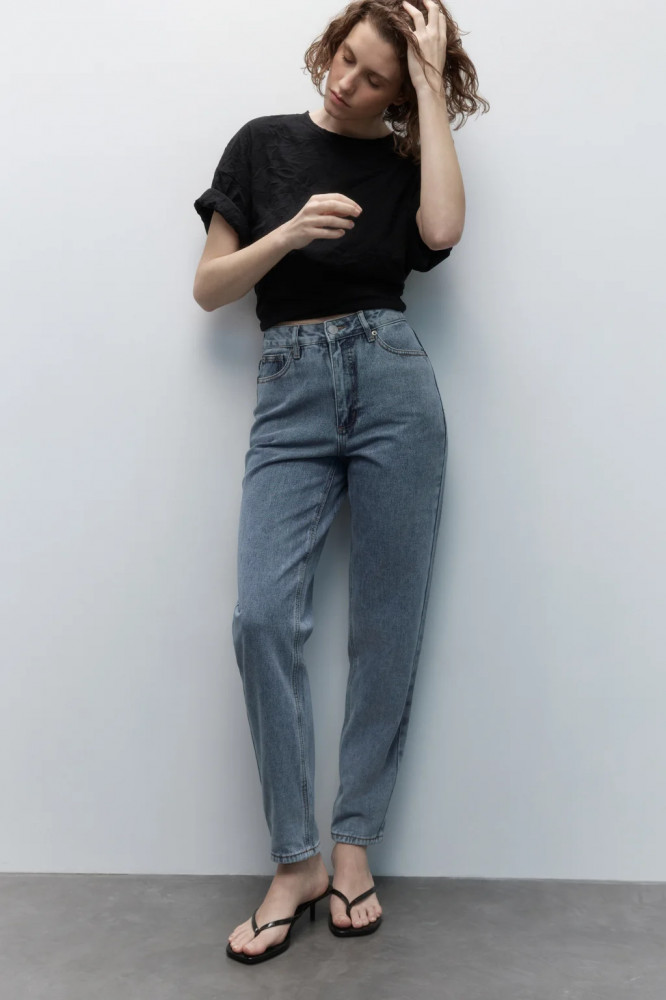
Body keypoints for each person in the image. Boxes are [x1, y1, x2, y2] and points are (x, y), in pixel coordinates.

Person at [193, 0, 486, 965]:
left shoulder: (405, 166)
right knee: (262, 619)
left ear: (399, 95)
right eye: (345, 58)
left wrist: (431, 79)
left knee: (386, 626)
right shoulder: (262, 144)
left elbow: (442, 228)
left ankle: (352, 845)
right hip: (290, 390)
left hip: (395, 383)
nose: (346, 81)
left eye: (374, 78)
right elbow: (210, 286)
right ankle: (296, 860)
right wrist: (285, 236)